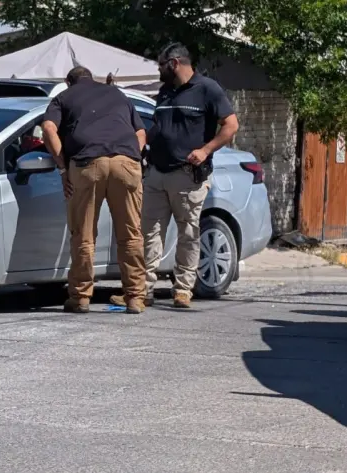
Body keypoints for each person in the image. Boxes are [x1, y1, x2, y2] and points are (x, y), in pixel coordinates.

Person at [111, 42, 239, 309]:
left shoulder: (207, 89)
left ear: (175, 63)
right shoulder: (165, 92)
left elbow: (231, 125)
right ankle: (141, 291)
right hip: (156, 173)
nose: (158, 70)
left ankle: (182, 290)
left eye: (160, 65)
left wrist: (205, 150)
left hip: (187, 175)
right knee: (148, 233)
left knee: (189, 233)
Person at [41, 66, 148, 314]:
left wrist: (63, 167)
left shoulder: (63, 98)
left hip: (88, 164)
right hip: (126, 163)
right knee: (131, 234)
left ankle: (80, 298)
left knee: (84, 235)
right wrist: (132, 155)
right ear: (92, 78)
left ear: (68, 82)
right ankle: (135, 298)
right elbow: (141, 132)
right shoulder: (116, 94)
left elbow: (48, 129)